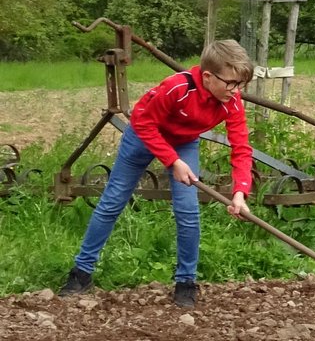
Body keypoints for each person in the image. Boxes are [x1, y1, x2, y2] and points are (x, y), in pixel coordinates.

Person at [59, 39, 258, 308]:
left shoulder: (231, 101)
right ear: (208, 76)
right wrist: (172, 160)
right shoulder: (177, 87)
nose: (236, 91)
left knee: (188, 212)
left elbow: (241, 147)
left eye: (241, 85)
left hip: (184, 143)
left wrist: (240, 192)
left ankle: (186, 282)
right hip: (143, 137)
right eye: (231, 83)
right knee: (112, 202)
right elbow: (142, 121)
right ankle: (81, 274)